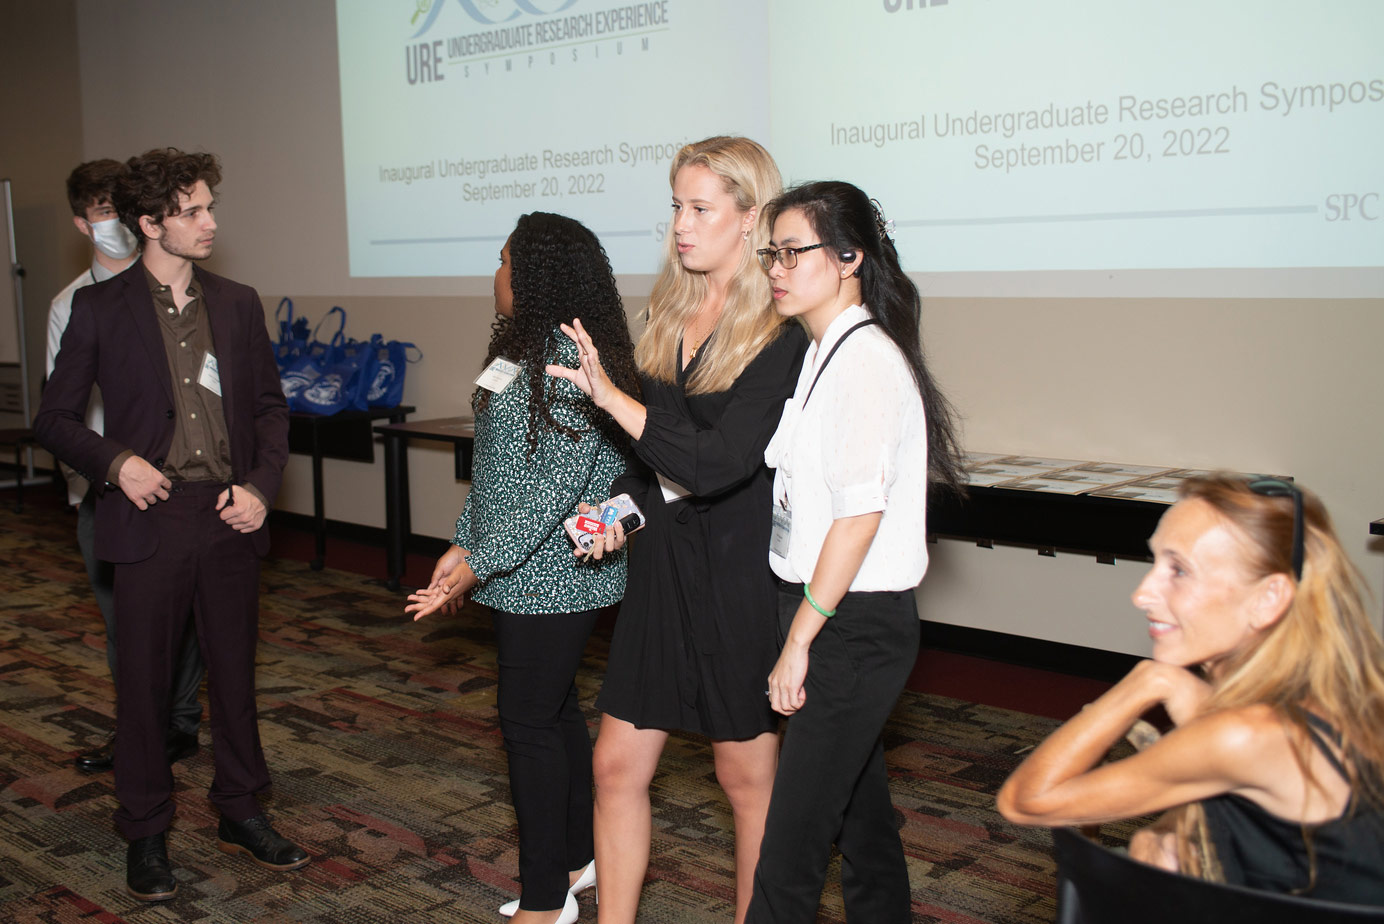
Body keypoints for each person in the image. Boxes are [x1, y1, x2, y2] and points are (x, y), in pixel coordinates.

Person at [546, 136, 807, 924]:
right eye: (676, 206)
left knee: (744, 780)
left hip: (738, 579)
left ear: (750, 215)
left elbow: (718, 462)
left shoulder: (784, 331)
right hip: (663, 570)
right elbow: (648, 466)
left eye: (701, 208)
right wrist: (616, 517)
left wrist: (612, 399)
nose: (682, 225)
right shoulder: (667, 314)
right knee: (615, 765)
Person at [35, 148, 306, 902]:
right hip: (147, 513)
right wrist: (115, 463)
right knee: (146, 687)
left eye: (209, 205)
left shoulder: (238, 302)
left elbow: (269, 411)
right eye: (192, 211)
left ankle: (240, 809)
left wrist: (259, 485)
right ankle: (146, 829)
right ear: (150, 223)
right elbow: (52, 419)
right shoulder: (97, 310)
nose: (210, 221)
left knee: (236, 674)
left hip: (228, 513)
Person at [997, 474, 1384, 904]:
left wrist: (1147, 681)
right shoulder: (1326, 692)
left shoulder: (1248, 731)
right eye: (1155, 562)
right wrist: (1161, 831)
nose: (1142, 594)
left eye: (1178, 570)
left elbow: (1025, 801)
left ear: (1268, 598)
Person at [406, 212, 639, 924]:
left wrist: (476, 562)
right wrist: (462, 540)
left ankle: (546, 902)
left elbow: (546, 495)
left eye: (504, 260)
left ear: (535, 274)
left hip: (558, 573)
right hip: (521, 569)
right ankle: (573, 861)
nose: (494, 273)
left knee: (528, 723)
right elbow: (499, 473)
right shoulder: (520, 351)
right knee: (552, 712)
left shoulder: (567, 359)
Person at [741, 182, 965, 923]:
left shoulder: (865, 361)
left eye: (793, 251)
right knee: (863, 826)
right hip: (826, 614)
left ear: (848, 259)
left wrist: (799, 639)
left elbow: (857, 522)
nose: (776, 267)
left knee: (791, 845)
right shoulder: (820, 352)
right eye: (771, 252)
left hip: (848, 626)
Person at [45, 159, 204, 775]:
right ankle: (138, 729)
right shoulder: (75, 305)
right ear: (84, 223)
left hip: (187, 486)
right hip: (109, 488)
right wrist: (100, 476)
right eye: (100, 212)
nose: (113, 223)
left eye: (119, 208)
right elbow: (62, 412)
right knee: (125, 624)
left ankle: (179, 723)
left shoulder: (196, 298)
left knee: (190, 620)